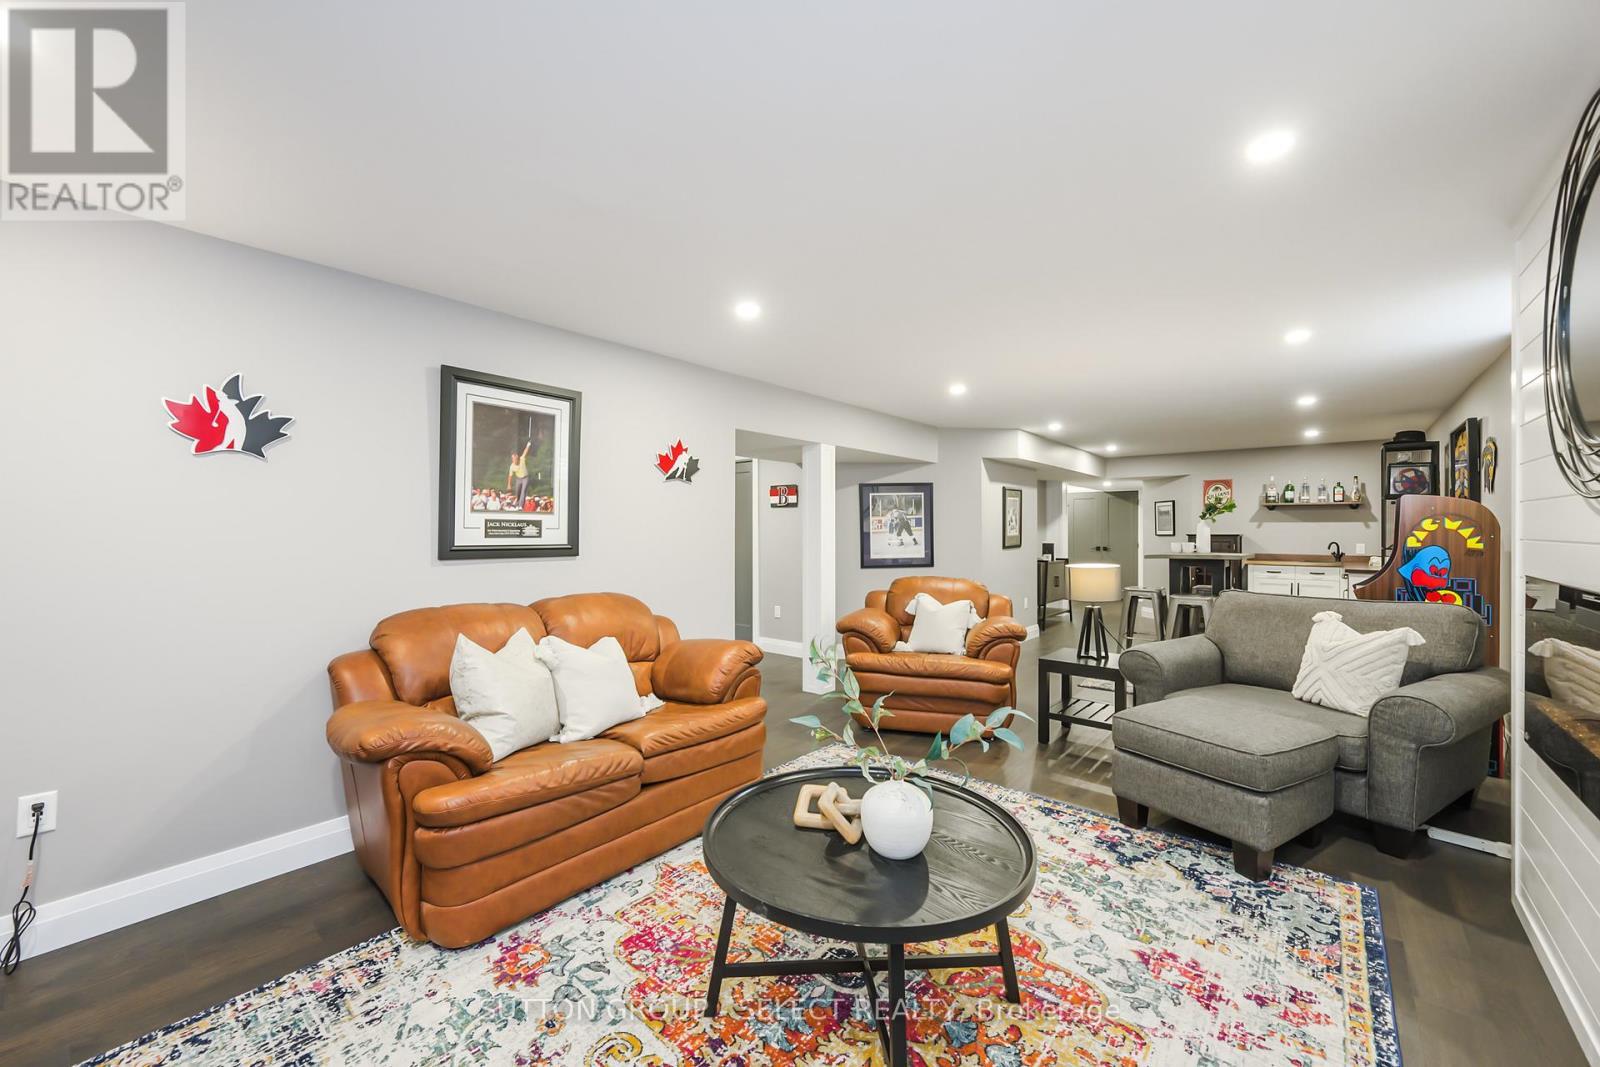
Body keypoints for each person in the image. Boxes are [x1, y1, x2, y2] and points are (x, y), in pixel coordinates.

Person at [507, 441, 532, 510]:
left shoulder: (522, 459)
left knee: (523, 491)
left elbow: (525, 452)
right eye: (513, 459)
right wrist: (509, 484)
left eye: (516, 459)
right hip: (518, 479)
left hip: (525, 478)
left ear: (517, 458)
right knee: (518, 492)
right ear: (512, 460)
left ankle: (520, 505)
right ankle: (517, 503)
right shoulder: (512, 466)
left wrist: (528, 445)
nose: (515, 460)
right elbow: (510, 476)